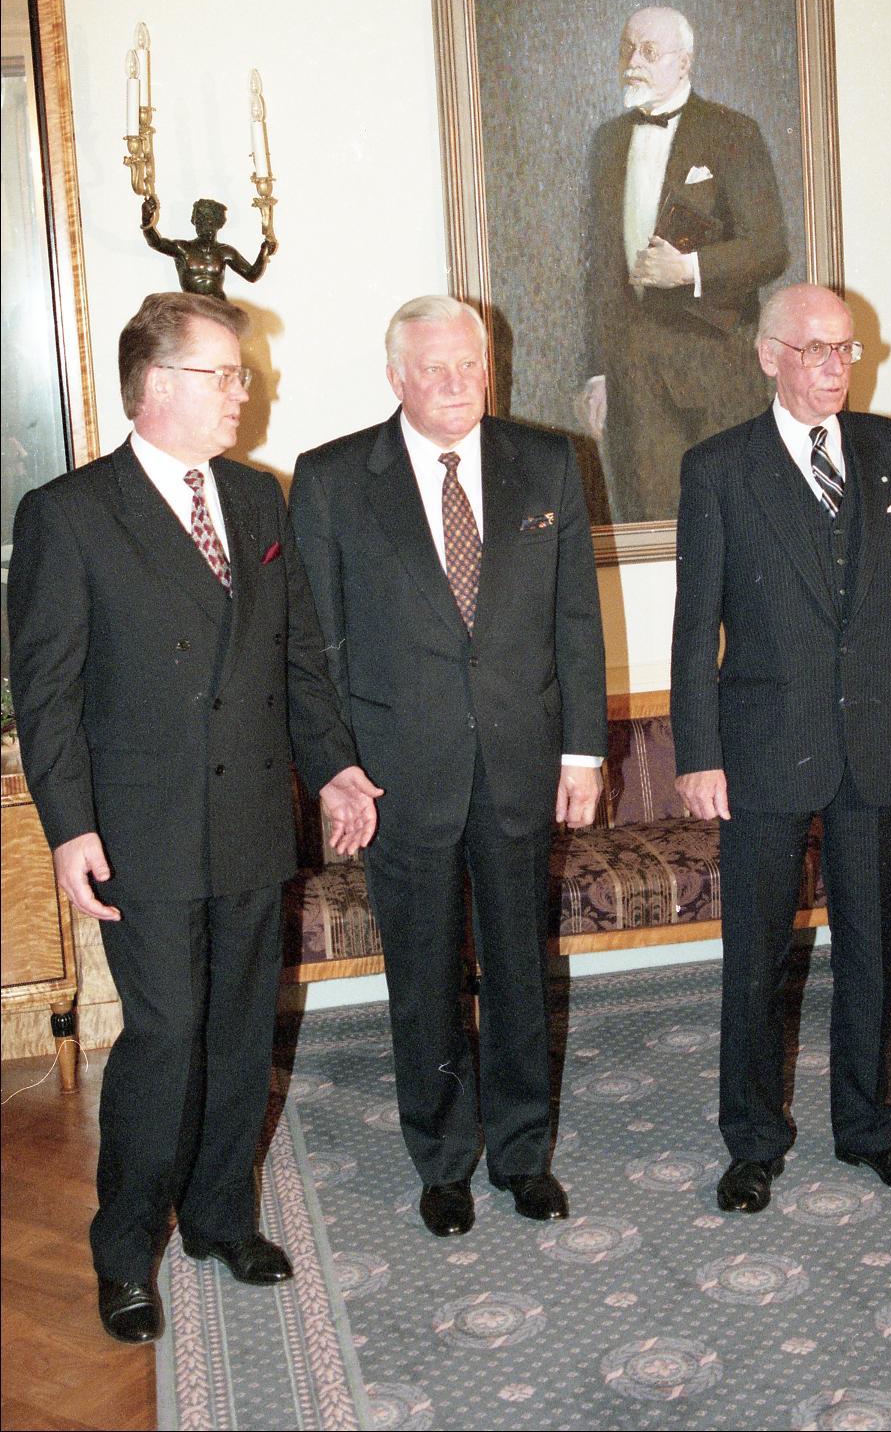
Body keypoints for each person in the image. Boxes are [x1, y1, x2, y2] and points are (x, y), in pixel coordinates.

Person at [8, 292, 381, 1344]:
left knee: (238, 1028)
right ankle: (125, 1249)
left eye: (239, 373)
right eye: (223, 374)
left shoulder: (258, 499)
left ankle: (220, 1219)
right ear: (156, 384)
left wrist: (335, 768)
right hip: (145, 827)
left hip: (253, 817)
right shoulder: (71, 513)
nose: (243, 391)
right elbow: (47, 692)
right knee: (167, 1035)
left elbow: (295, 656)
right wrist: (69, 828)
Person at [290, 295, 607, 1237]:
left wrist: (582, 750)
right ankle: (440, 1162)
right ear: (396, 377)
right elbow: (313, 647)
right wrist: (335, 767)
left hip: (519, 764)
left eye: (470, 364)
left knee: (519, 971)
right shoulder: (334, 479)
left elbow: (576, 621)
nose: (457, 383)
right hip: (398, 776)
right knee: (422, 978)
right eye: (434, 368)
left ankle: (521, 1155)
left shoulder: (546, 462)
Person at [670, 282, 891, 1214]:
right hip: (761, 747)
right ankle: (752, 1142)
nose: (835, 367)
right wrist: (697, 752)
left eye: (846, 349)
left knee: (872, 949)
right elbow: (693, 626)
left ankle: (869, 1129)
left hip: (873, 741)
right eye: (816, 349)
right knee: (757, 958)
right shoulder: (719, 468)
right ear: (768, 356)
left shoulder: (890, 449)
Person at [581, 5, 788, 522]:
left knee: (730, 526)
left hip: (717, 378)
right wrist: (599, 372)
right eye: (627, 50)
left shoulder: (732, 132)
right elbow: (600, 269)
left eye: (649, 52)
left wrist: (689, 269)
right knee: (648, 525)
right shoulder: (607, 142)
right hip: (635, 384)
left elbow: (769, 249)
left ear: (684, 62)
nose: (634, 62)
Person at [140, 195, 275, 297]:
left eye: (211, 222)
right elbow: (156, 243)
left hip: (218, 308)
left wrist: (264, 252)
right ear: (195, 223)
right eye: (201, 222)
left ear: (219, 224)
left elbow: (252, 275)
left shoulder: (225, 252)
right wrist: (146, 220)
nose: (206, 227)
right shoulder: (183, 248)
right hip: (192, 308)